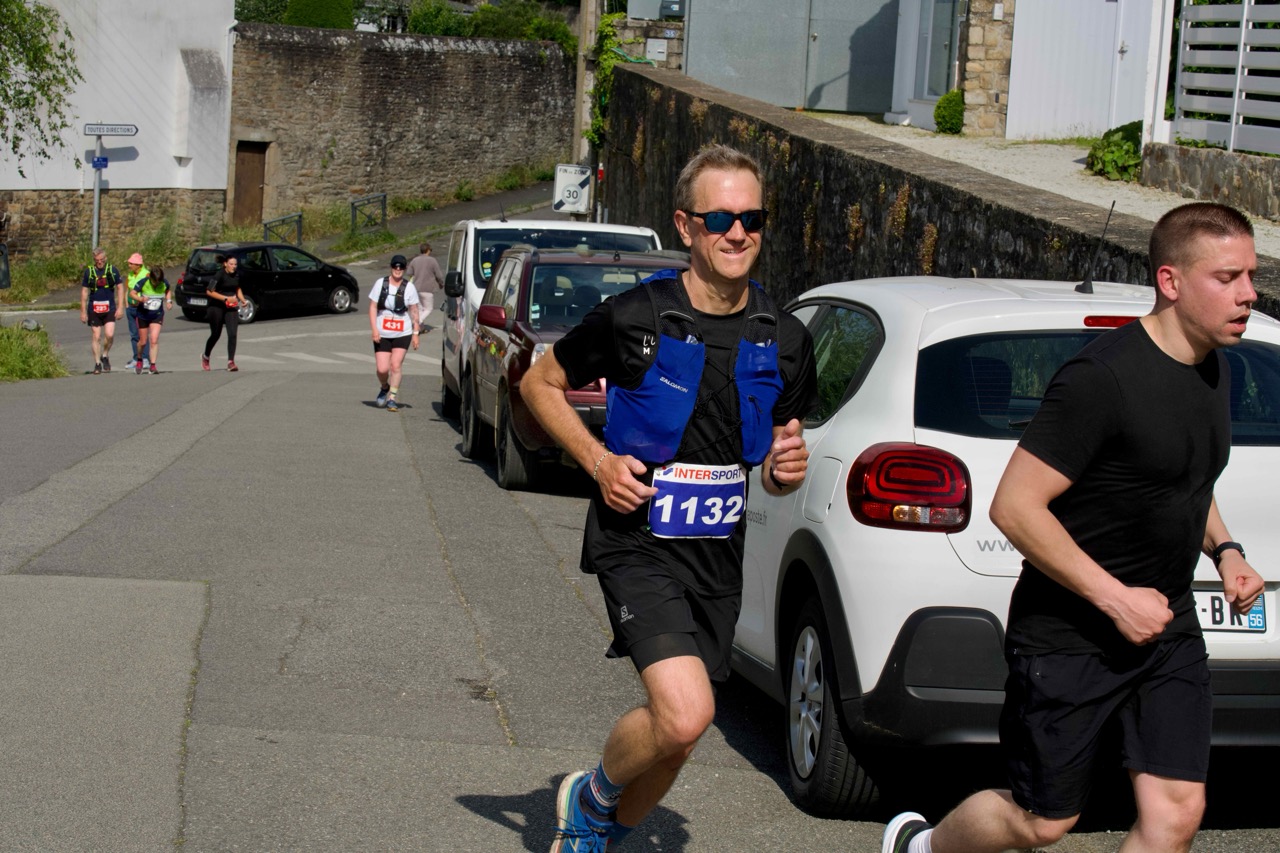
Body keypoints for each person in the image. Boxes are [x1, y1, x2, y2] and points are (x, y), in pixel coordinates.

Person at [882, 201, 1267, 853]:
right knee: (1043, 819)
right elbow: (1014, 506)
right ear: (1171, 281)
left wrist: (1226, 550)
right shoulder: (1102, 379)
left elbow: (1181, 481)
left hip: (1166, 626)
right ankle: (921, 846)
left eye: (1251, 276)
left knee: (1176, 812)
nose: (1248, 294)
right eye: (1227, 278)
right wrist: (1115, 599)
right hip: (1070, 634)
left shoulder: (1214, 367)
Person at [522, 144, 818, 851]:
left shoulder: (785, 338)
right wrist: (598, 461)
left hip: (717, 555)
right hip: (637, 541)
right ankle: (591, 797)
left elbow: (779, 457)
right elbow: (539, 382)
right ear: (685, 226)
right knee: (684, 713)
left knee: (681, 735)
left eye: (751, 218)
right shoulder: (634, 317)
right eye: (720, 218)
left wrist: (785, 469)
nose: (738, 233)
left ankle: (596, 832)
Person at [368, 254, 421, 412]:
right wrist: (374, 329)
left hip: (402, 332)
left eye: (401, 267)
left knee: (396, 365)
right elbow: (372, 307)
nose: (398, 270)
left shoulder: (409, 287)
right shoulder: (381, 283)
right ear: (391, 267)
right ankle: (385, 387)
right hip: (382, 332)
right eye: (395, 267)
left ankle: (392, 398)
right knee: (382, 369)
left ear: (405, 269)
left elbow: (414, 310)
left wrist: (415, 333)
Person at [79, 247, 124, 374]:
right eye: (97, 260)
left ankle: (105, 354)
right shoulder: (89, 272)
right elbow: (84, 292)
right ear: (94, 260)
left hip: (109, 307)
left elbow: (120, 288)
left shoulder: (113, 270)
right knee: (96, 336)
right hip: (94, 307)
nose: (100, 262)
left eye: (102, 260)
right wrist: (83, 311)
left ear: (106, 258)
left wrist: (120, 307)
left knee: (109, 335)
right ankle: (97, 363)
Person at [203, 255, 246, 372]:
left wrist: (243, 300)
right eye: (231, 264)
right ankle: (206, 356)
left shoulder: (236, 275)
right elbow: (209, 291)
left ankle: (231, 362)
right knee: (215, 334)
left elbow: (237, 288)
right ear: (225, 264)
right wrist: (226, 298)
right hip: (216, 306)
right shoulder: (219, 275)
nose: (234, 266)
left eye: (235, 264)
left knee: (232, 334)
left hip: (231, 307)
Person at [127, 266, 172, 374]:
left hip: (157, 315)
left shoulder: (164, 283)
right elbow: (132, 293)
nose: (156, 284)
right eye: (154, 282)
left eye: (158, 282)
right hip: (143, 315)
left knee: (154, 340)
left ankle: (153, 365)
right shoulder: (144, 282)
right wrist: (140, 299)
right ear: (150, 278)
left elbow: (168, 291)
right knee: (143, 342)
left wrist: (169, 301)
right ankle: (139, 359)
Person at [407, 241, 444, 333]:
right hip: (427, 288)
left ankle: (420, 328)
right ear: (428, 250)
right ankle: (417, 321)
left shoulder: (415, 260)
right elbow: (439, 275)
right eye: (430, 250)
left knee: (419, 309)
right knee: (428, 308)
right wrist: (441, 283)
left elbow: (409, 272)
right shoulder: (432, 260)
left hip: (416, 288)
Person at [124, 252, 151, 370]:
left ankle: (145, 359)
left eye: (131, 263)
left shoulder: (147, 274)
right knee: (134, 335)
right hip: (131, 307)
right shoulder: (130, 274)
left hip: (141, 308)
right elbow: (127, 289)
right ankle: (136, 358)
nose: (129, 265)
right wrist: (126, 304)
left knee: (142, 335)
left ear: (138, 265)